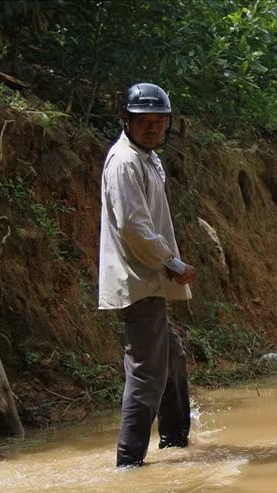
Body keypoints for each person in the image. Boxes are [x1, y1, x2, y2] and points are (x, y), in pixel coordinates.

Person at [98, 82, 197, 467]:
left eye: (160, 122)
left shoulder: (146, 157)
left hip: (148, 277)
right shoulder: (124, 162)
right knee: (146, 375)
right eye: (144, 121)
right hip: (139, 279)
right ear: (126, 120)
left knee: (171, 356)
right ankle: (129, 464)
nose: (153, 128)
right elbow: (134, 227)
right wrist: (171, 262)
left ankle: (175, 441)